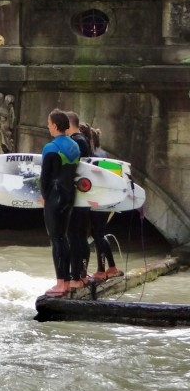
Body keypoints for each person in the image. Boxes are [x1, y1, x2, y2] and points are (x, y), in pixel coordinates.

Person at [40, 108, 81, 297]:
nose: (48, 127)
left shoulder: (51, 148)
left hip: (55, 196)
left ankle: (60, 283)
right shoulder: (75, 146)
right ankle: (66, 281)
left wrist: (44, 197)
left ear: (55, 125)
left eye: (49, 123)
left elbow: (45, 178)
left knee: (56, 240)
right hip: (69, 196)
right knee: (63, 238)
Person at [79, 122, 124, 283]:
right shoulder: (100, 153)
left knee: (97, 233)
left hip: (99, 200)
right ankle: (111, 268)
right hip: (102, 199)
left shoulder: (94, 156)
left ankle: (101, 270)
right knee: (98, 233)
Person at [65, 111, 93, 288]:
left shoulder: (76, 141)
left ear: (68, 123)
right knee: (81, 235)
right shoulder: (83, 140)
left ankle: (75, 276)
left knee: (73, 235)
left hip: (77, 195)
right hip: (84, 195)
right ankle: (82, 274)